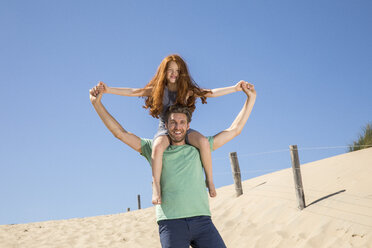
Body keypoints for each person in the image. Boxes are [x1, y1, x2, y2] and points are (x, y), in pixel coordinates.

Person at [89, 80, 256, 248]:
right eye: (173, 123)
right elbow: (120, 133)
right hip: (171, 224)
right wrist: (97, 104)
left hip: (202, 221)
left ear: (188, 125)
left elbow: (235, 129)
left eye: (182, 122)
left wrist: (251, 99)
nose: (178, 127)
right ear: (166, 125)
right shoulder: (153, 150)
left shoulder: (199, 148)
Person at [97, 54, 246, 205]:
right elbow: (133, 91)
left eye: (177, 70)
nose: (174, 73)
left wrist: (235, 88)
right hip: (165, 128)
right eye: (170, 70)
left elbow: (211, 93)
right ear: (164, 72)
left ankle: (210, 181)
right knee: (157, 147)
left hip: (183, 128)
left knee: (203, 142)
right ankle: (156, 188)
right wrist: (108, 90)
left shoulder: (187, 90)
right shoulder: (157, 90)